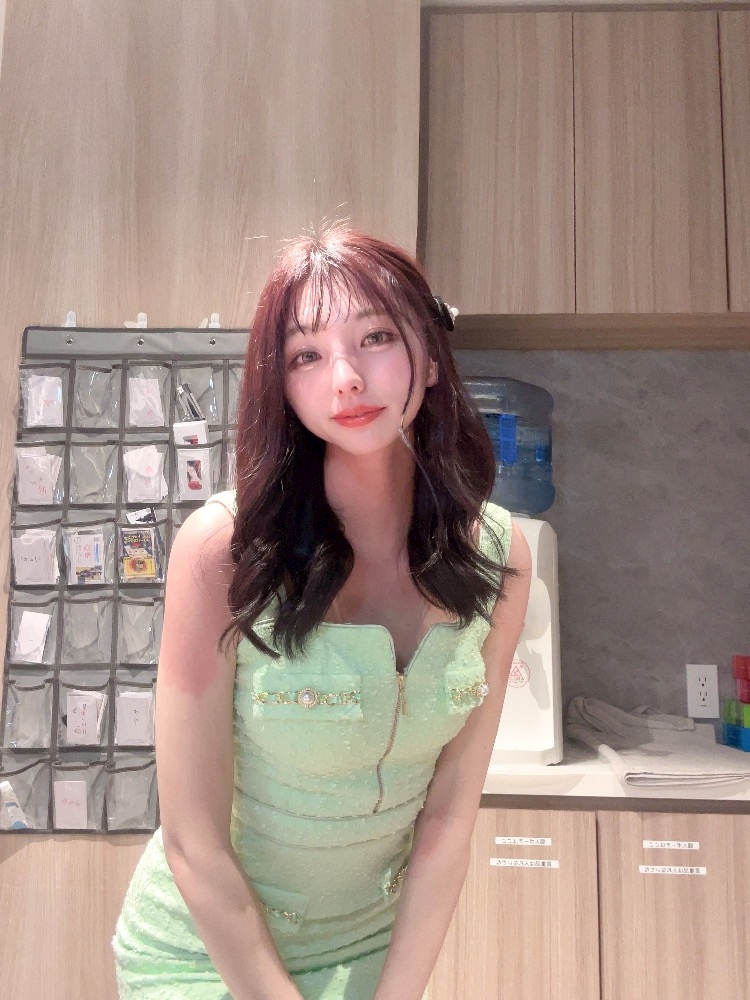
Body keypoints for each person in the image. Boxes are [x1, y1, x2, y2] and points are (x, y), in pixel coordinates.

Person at [112, 225, 531, 1000]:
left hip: (371, 946)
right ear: (281, 384)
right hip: (207, 955)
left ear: (429, 356)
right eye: (306, 355)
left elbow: (447, 822)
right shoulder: (224, 550)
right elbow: (195, 844)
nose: (345, 378)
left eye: (375, 337)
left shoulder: (499, 554)